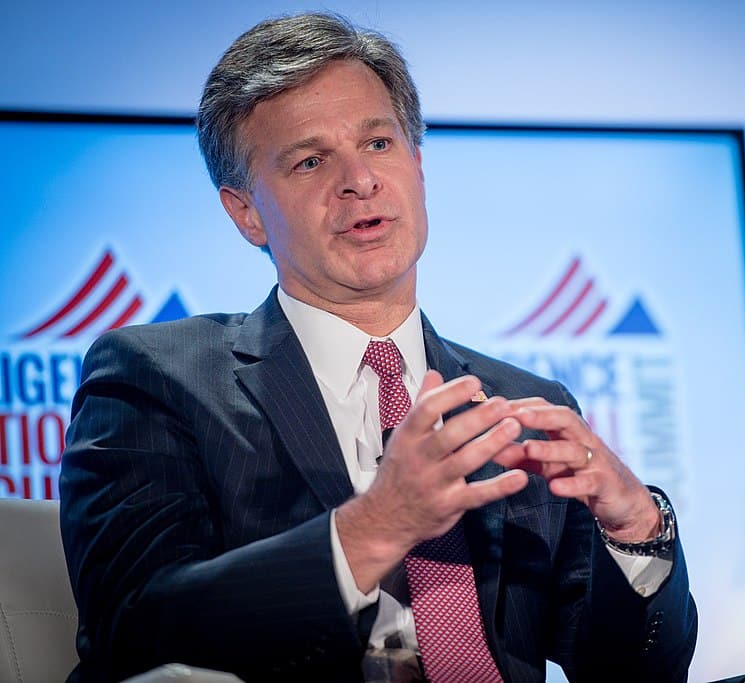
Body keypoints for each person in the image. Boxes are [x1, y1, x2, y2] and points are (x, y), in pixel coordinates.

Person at [59, 12, 697, 683]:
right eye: (311, 160)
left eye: (379, 144)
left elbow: (631, 672)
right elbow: (133, 630)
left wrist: (635, 529)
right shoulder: (157, 377)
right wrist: (374, 527)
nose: (359, 180)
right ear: (246, 212)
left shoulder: (522, 405)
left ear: (418, 167)